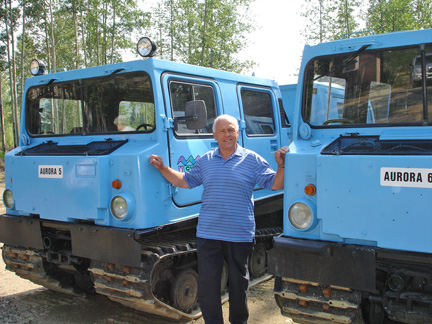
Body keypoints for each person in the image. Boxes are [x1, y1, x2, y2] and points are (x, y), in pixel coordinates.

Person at [149, 114, 289, 324]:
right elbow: (185, 181)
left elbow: (276, 184)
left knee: (238, 285)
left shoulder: (251, 159)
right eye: (222, 131)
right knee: (208, 287)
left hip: (239, 234)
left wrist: (282, 165)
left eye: (231, 130)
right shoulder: (205, 161)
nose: (227, 135)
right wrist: (162, 168)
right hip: (209, 234)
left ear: (237, 132)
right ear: (214, 135)